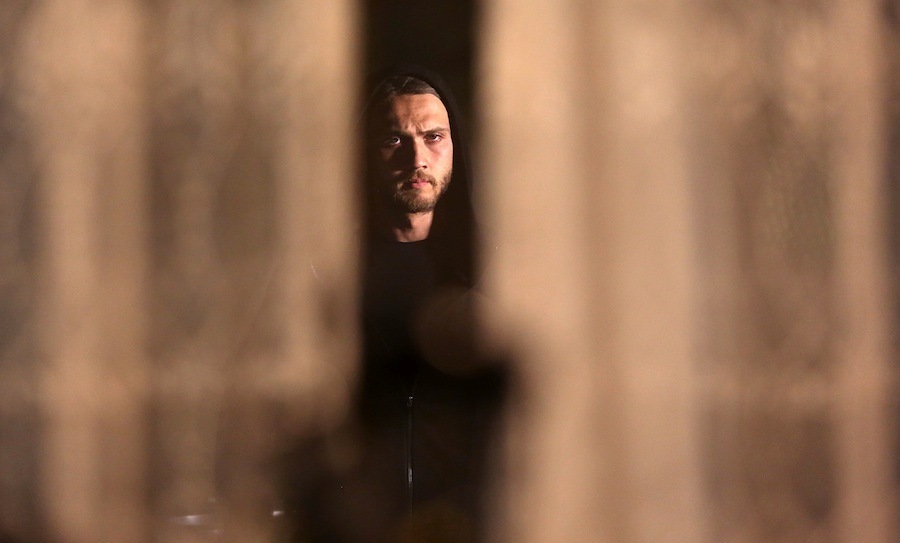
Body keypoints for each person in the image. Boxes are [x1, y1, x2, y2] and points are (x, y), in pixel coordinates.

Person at [283, 65, 506, 543]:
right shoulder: (328, 272)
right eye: (394, 139)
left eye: (433, 137)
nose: (417, 158)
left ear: (456, 147)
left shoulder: (496, 273)